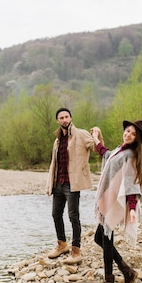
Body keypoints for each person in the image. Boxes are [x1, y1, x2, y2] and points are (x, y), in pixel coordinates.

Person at [90, 120, 142, 283]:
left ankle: (109, 282)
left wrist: (131, 208)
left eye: (133, 134)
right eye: (127, 131)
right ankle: (127, 271)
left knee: (106, 239)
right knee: (99, 238)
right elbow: (106, 155)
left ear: (137, 139)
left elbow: (130, 183)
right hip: (108, 198)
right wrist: (96, 138)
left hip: (116, 201)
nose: (128, 134)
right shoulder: (119, 150)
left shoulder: (130, 155)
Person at [45, 107, 96, 264]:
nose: (64, 119)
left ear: (71, 118)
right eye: (61, 118)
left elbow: (94, 146)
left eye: (66, 116)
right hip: (58, 184)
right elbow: (54, 164)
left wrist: (96, 134)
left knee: (73, 216)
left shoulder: (80, 134)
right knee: (55, 214)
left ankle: (76, 250)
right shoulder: (57, 140)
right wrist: (49, 185)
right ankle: (62, 245)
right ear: (57, 121)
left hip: (72, 183)